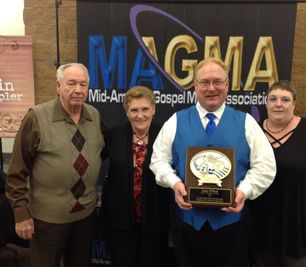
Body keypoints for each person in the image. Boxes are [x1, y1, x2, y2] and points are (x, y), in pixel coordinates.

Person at [150, 57, 276, 267]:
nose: (211, 88)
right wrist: (174, 184)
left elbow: (266, 165)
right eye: (205, 82)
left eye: (218, 82)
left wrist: (244, 190)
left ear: (227, 85)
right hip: (187, 224)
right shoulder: (175, 121)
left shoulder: (246, 123)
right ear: (195, 86)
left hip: (232, 227)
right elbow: (158, 160)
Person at [5, 63, 104, 267]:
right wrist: (21, 214)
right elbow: (16, 172)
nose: (78, 90)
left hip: (85, 216)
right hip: (48, 219)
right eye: (71, 83)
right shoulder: (37, 118)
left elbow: (102, 151)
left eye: (83, 84)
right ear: (58, 86)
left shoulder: (94, 115)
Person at [252, 80, 306, 267]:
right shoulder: (253, 131)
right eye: (273, 99)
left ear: (294, 103)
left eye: (285, 99)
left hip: (300, 225)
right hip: (261, 224)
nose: (278, 104)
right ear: (266, 103)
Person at [100, 86, 171, 267]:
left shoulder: (165, 135)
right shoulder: (114, 135)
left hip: (155, 219)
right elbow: (94, 160)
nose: (140, 115)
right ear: (127, 112)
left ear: (153, 110)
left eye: (145, 109)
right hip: (121, 221)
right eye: (134, 110)